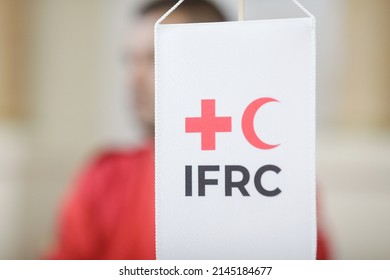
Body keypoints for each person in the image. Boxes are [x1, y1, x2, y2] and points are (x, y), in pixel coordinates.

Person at [47, 0, 330, 260]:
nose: (132, 78)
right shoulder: (104, 178)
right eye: (129, 60)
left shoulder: (271, 177)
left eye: (156, 58)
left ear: (218, 66)